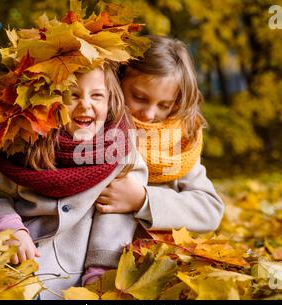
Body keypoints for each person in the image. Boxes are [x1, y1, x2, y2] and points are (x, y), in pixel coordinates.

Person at [0, 8, 151, 299]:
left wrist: (101, 270)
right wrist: (7, 227)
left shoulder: (119, 151)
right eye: (73, 95)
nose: (85, 106)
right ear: (49, 101)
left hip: (77, 276)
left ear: (111, 99)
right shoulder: (26, 143)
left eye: (97, 96)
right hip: (16, 264)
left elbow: (116, 217)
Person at [95, 35, 225, 248]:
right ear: (118, 81)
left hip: (155, 256)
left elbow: (210, 210)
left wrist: (143, 200)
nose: (149, 113)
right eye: (140, 97)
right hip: (94, 261)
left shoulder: (177, 143)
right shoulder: (93, 128)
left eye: (163, 105)